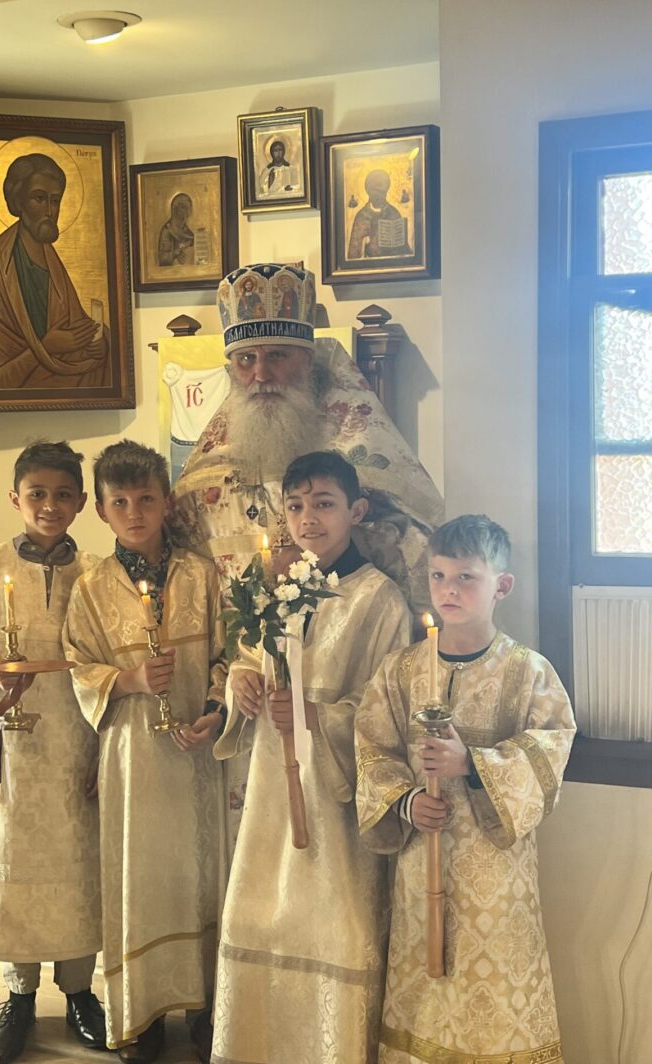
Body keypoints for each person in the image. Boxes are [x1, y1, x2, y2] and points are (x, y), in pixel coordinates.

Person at [172, 261, 443, 845]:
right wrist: (230, 684)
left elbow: (417, 586)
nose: (261, 373)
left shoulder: (369, 474)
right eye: (246, 360)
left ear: (310, 362)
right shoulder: (204, 486)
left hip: (344, 726)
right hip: (252, 725)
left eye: (277, 356)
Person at [211, 451, 411, 1064]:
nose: (308, 519)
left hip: (335, 797)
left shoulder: (382, 602)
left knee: (337, 926)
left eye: (323, 504)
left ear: (356, 510)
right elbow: (250, 660)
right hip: (274, 787)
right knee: (261, 916)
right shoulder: (274, 589)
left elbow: (391, 707)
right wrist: (238, 687)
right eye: (294, 506)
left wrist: (316, 716)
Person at [355, 515, 576, 1063]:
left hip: (496, 880)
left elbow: (550, 753)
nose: (448, 591)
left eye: (466, 578)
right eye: (437, 576)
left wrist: (471, 763)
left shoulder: (529, 671)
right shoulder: (401, 669)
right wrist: (405, 801)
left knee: (493, 1001)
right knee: (424, 998)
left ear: (501, 585)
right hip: (418, 861)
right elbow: (371, 748)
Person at [0, 440, 104, 1064]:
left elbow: (112, 656)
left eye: (64, 494)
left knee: (77, 863)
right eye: (37, 493)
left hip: (73, 740)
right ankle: (19, 993)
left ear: (82, 502)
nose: (50, 505)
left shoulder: (95, 574)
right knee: (6, 866)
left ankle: (82, 992)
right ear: (16, 498)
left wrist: (102, 743)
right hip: (6, 743)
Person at [63, 440, 227, 1063]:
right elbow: (78, 665)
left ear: (166, 502)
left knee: (201, 875)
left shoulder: (199, 573)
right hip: (132, 755)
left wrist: (215, 708)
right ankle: (143, 1011)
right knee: (143, 877)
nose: (135, 513)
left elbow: (226, 650)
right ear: (101, 511)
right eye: (120, 503)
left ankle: (209, 1004)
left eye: (147, 500)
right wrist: (127, 681)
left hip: (197, 753)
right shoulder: (91, 589)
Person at [0, 152, 109, 390]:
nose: (50, 211)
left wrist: (98, 345)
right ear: (18, 203)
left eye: (55, 200)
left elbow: (74, 327)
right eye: (39, 199)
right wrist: (44, 348)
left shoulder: (51, 261)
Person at [347, 169, 412, 259]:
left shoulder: (393, 213)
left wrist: (398, 244)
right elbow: (354, 252)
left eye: (381, 193)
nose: (378, 197)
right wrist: (365, 240)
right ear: (369, 193)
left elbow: (403, 250)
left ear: (386, 192)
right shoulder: (361, 216)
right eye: (375, 193)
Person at [157, 191, 195, 266]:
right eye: (185, 208)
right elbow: (163, 260)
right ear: (175, 209)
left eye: (189, 208)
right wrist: (176, 252)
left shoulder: (188, 232)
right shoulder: (167, 230)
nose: (188, 213)